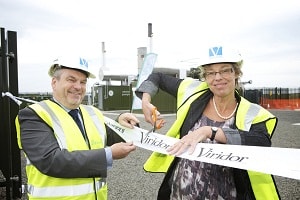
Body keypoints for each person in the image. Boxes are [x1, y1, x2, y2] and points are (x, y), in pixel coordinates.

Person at [135, 45, 280, 200]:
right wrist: (146, 100)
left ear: (236, 73)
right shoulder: (192, 91)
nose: (217, 77)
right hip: (179, 193)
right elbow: (157, 77)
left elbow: (261, 141)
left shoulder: (252, 112)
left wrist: (210, 131)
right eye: (210, 73)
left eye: (224, 70)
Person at [15, 57, 140, 200]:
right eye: (71, 80)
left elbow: (114, 136)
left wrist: (124, 122)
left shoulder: (92, 113)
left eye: (83, 82)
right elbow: (50, 161)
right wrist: (108, 154)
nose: (78, 87)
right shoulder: (34, 115)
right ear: (54, 83)